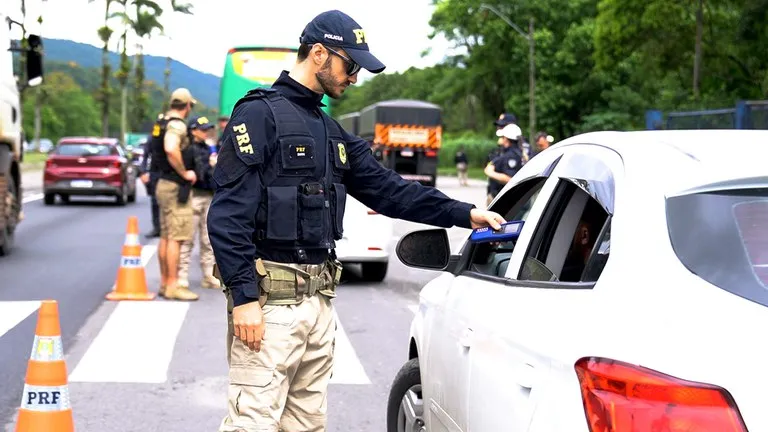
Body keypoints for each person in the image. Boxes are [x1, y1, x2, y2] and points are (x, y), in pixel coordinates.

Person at [206, 9, 505, 432]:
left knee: (307, 425)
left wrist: (465, 213)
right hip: (269, 305)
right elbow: (227, 217)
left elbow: (390, 191)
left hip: (318, 302)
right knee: (252, 425)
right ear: (318, 54)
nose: (355, 78)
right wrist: (243, 298)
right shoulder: (259, 115)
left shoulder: (331, 131)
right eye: (351, 66)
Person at [150, 88, 199, 301]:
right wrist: (184, 172)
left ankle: (164, 283)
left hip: (162, 182)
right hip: (174, 184)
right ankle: (172, 285)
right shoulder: (177, 125)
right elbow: (171, 148)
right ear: (187, 106)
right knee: (176, 238)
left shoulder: (161, 122)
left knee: (166, 235)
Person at [178, 115, 220, 290]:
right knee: (187, 238)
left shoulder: (209, 148)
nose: (206, 133)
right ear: (193, 130)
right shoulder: (187, 149)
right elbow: (198, 174)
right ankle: (181, 276)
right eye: (202, 130)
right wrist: (211, 165)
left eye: (207, 129)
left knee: (207, 239)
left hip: (208, 195)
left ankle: (208, 275)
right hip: (193, 195)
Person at [484, 123, 526, 203]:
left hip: (506, 201)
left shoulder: (511, 156)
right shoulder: (517, 153)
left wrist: (490, 172)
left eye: (502, 137)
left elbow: (510, 179)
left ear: (506, 139)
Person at [487, 112, 517, 205]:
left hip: (509, 198)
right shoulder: (501, 147)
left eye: (502, 125)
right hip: (496, 193)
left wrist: (490, 172)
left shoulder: (515, 149)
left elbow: (511, 178)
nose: (499, 127)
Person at [139, 135, 160, 238]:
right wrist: (143, 172)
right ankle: (157, 227)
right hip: (155, 172)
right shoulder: (154, 136)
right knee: (155, 201)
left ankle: (166, 228)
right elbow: (145, 155)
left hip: (171, 173)